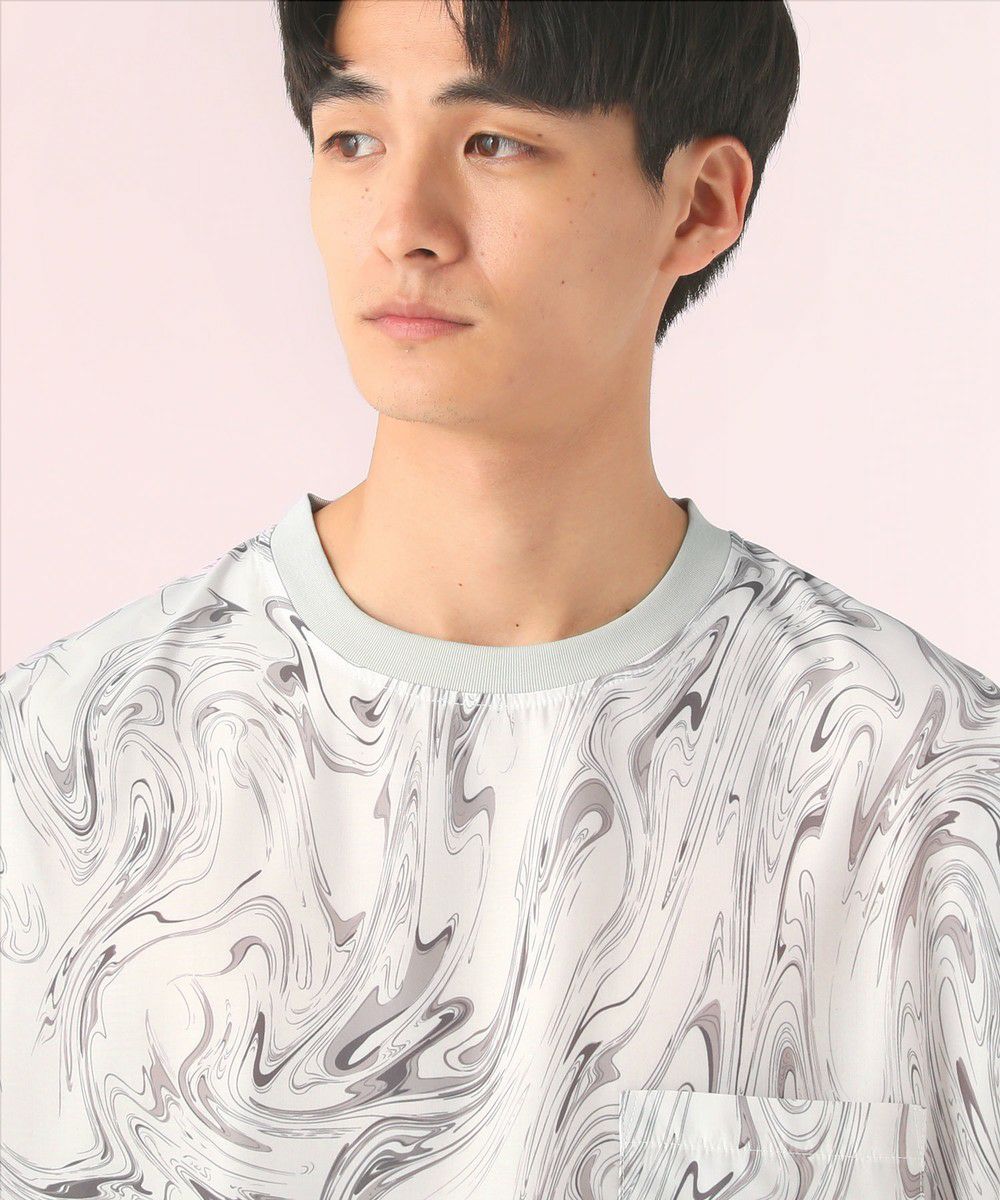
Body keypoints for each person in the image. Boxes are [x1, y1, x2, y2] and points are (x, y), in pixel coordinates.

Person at [1, 2, 996, 1197]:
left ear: (699, 205)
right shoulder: (60, 766)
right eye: (353, 139)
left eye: (494, 143)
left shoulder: (924, 790)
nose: (402, 225)